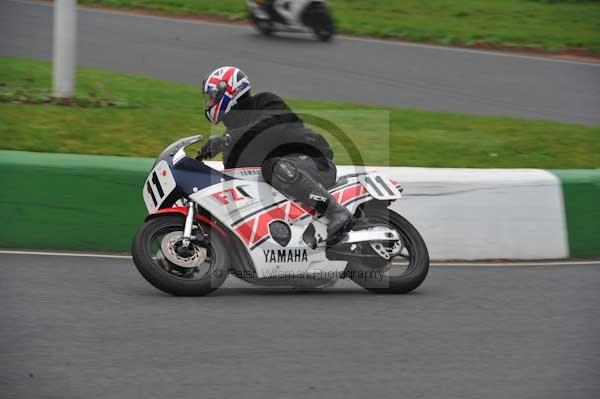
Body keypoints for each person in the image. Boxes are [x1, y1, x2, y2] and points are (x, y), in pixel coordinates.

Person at [198, 66, 352, 245]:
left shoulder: (266, 102)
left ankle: (336, 211)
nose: (209, 103)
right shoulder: (231, 139)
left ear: (230, 91)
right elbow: (236, 180)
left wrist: (228, 138)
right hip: (284, 187)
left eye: (212, 96)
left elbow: (267, 125)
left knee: (274, 166)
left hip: (315, 163)